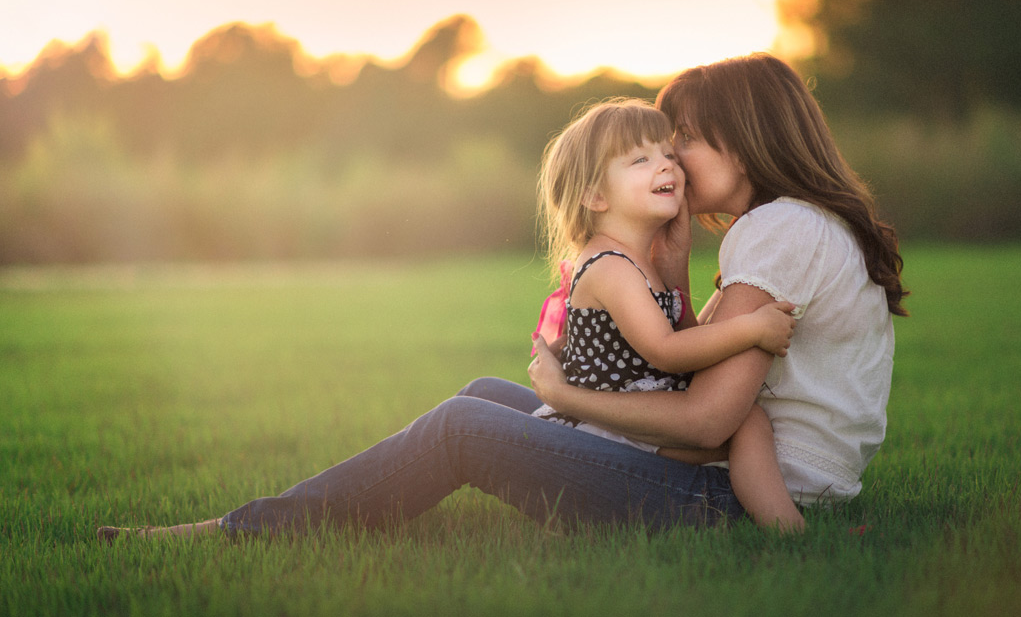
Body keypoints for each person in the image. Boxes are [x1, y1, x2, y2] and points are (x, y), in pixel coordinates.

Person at [97, 53, 906, 542]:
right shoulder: (801, 224)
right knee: (485, 396)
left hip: (734, 499)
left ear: (751, 133)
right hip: (758, 478)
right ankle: (307, 520)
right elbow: (699, 364)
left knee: (462, 426)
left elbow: (703, 419)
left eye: (687, 137)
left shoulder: (776, 232)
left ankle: (241, 533)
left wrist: (558, 394)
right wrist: (681, 254)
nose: (678, 160)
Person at [529, 98, 803, 530]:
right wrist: (752, 328)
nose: (667, 167)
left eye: (669, 154)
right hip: (608, 426)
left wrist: (675, 264)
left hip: (638, 409)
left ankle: (780, 523)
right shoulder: (612, 268)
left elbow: (680, 346)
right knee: (744, 425)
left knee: (745, 422)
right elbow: (669, 351)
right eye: (641, 159)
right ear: (595, 196)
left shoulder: (636, 261)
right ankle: (786, 529)